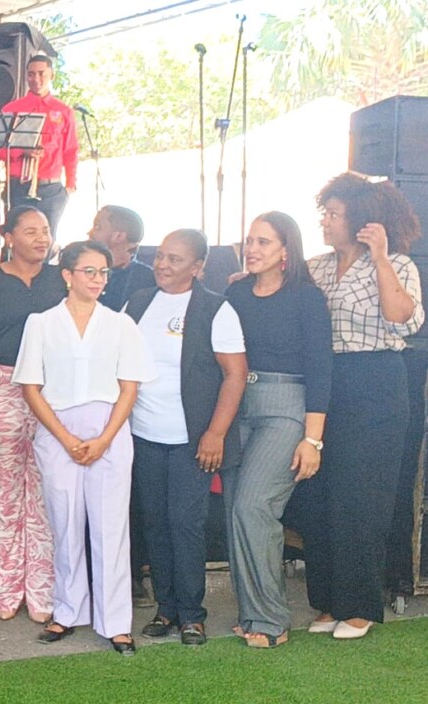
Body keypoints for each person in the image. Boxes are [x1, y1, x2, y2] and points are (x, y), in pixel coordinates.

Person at [13, 240, 155, 656]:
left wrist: (105, 438)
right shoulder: (40, 323)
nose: (97, 280)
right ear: (67, 275)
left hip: (108, 429)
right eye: (89, 271)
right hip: (57, 432)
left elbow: (130, 387)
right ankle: (67, 611)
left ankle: (116, 623)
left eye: (103, 272)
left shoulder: (120, 324)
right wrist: (66, 438)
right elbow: (30, 387)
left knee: (111, 527)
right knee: (65, 523)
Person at [298, 174, 424, 640]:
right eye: (324, 213)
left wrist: (379, 258)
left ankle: (361, 605)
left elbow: (401, 318)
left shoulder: (398, 264)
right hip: (325, 382)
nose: (326, 221)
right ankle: (328, 601)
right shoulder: (316, 267)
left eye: (334, 213)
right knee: (320, 494)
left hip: (377, 382)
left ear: (363, 219)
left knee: (362, 496)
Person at [124, 229, 247, 646]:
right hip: (143, 434)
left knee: (186, 524)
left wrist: (215, 433)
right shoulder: (139, 302)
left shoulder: (216, 309)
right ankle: (166, 609)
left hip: (192, 440)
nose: (162, 265)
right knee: (154, 523)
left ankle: (193, 614)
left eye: (175, 259)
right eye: (160, 256)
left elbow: (235, 375)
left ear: (197, 268)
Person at [224, 211, 333, 648]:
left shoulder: (307, 298)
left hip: (286, 406)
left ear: (286, 251)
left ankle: (271, 619)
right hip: (238, 403)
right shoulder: (235, 292)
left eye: (264, 242)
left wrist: (312, 439)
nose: (252, 248)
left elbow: (321, 371)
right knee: (236, 510)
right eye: (250, 240)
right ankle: (251, 612)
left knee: (254, 506)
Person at [0, 206, 66, 623]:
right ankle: (3, 587)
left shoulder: (62, 278)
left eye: (45, 231)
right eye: (30, 231)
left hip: (55, 388)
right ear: (8, 237)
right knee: (3, 492)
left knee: (48, 491)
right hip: (5, 384)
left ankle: (46, 590)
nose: (41, 238)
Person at [88, 203, 155, 604]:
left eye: (98, 225)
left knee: (130, 495)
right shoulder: (79, 268)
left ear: (117, 237)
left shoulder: (147, 282)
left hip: (130, 397)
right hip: (82, 392)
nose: (90, 228)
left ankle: (132, 575)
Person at [0, 55, 77, 236]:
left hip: (51, 189)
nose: (36, 79)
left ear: (51, 75)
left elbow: (70, 150)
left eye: (41, 74)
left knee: (46, 242)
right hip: (19, 185)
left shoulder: (64, 111)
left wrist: (70, 184)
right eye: (31, 74)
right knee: (17, 240)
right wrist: (22, 151)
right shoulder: (11, 109)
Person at [89, 205, 155, 311]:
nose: (90, 233)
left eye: (97, 227)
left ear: (119, 236)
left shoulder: (147, 280)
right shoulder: (80, 269)